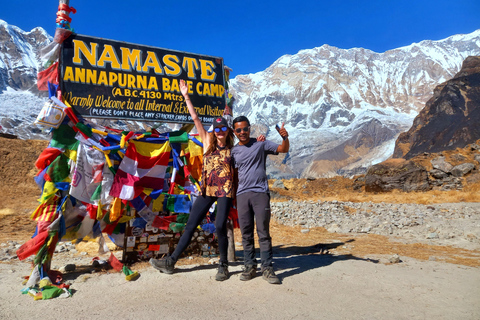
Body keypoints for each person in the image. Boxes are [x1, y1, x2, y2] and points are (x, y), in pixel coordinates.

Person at [149, 79, 235, 281]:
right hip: (207, 190)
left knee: (221, 225)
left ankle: (223, 265)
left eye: (223, 129)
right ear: (214, 131)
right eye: (217, 129)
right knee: (190, 224)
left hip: (225, 192)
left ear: (228, 131)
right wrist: (186, 95)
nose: (220, 132)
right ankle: (171, 262)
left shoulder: (234, 149)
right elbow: (195, 118)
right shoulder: (207, 141)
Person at [231, 116, 289, 285]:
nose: (242, 132)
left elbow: (283, 149)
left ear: (250, 128)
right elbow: (234, 176)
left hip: (260, 193)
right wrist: (235, 196)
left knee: (263, 232)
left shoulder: (261, 143)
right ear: (235, 132)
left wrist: (285, 137)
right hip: (242, 195)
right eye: (238, 130)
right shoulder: (234, 151)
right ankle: (249, 266)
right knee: (246, 233)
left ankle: (267, 268)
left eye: (245, 128)